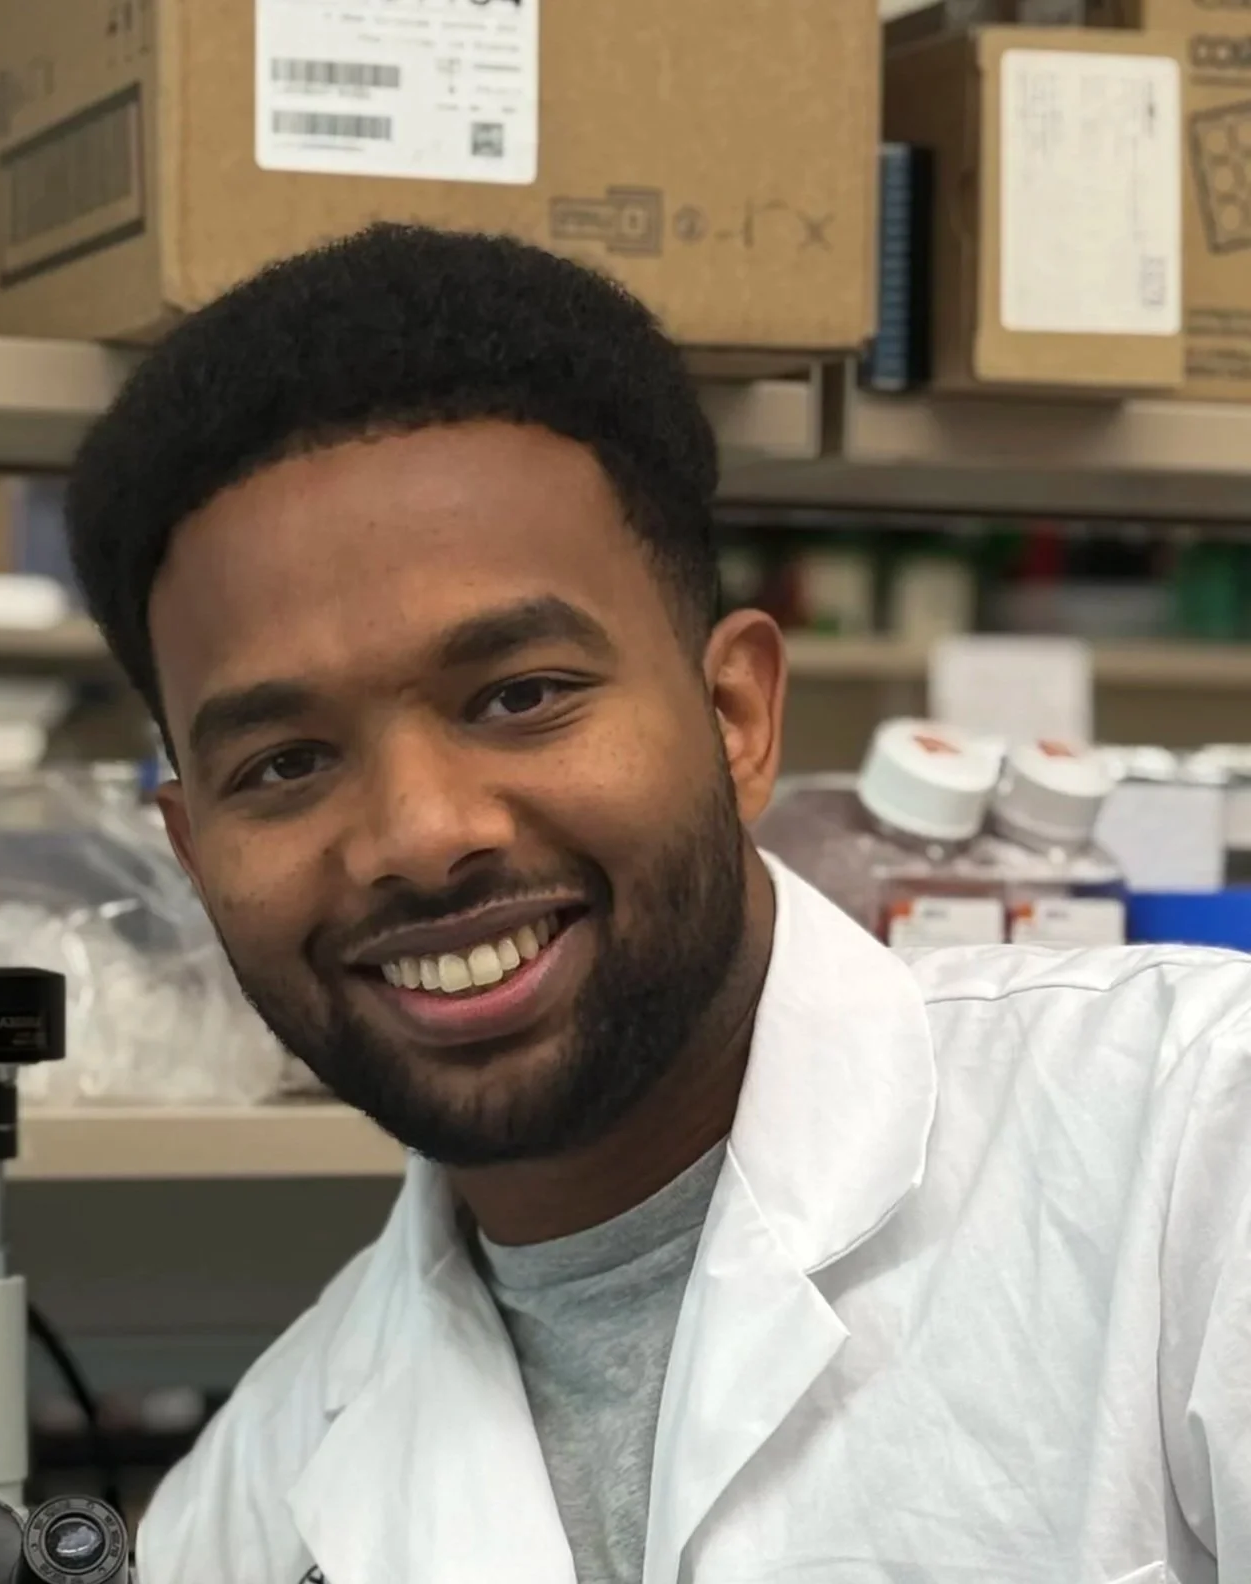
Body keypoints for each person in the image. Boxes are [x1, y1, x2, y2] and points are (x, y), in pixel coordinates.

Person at [66, 225, 1250, 1584]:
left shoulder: (1196, 1152)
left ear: (737, 716)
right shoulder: (249, 1507)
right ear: (193, 846)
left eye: (521, 696)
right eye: (284, 766)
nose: (420, 837)